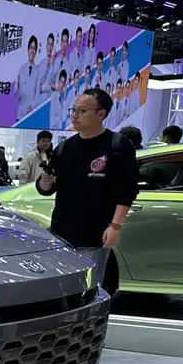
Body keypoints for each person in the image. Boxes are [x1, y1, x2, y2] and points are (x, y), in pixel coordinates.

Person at [35, 87, 139, 288]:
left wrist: (115, 225)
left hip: (95, 234)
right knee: (58, 288)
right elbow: (47, 187)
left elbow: (127, 191)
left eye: (81, 111)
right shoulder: (65, 147)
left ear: (101, 114)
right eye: (73, 110)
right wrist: (44, 183)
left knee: (88, 289)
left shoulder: (117, 146)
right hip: (61, 231)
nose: (74, 116)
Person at [16, 35, 43, 118]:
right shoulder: (22, 69)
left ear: (36, 51)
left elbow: (38, 94)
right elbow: (16, 95)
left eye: (34, 48)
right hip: (20, 114)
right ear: (28, 50)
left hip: (31, 114)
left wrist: (32, 106)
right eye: (30, 48)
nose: (32, 51)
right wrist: (18, 87)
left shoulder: (38, 71)